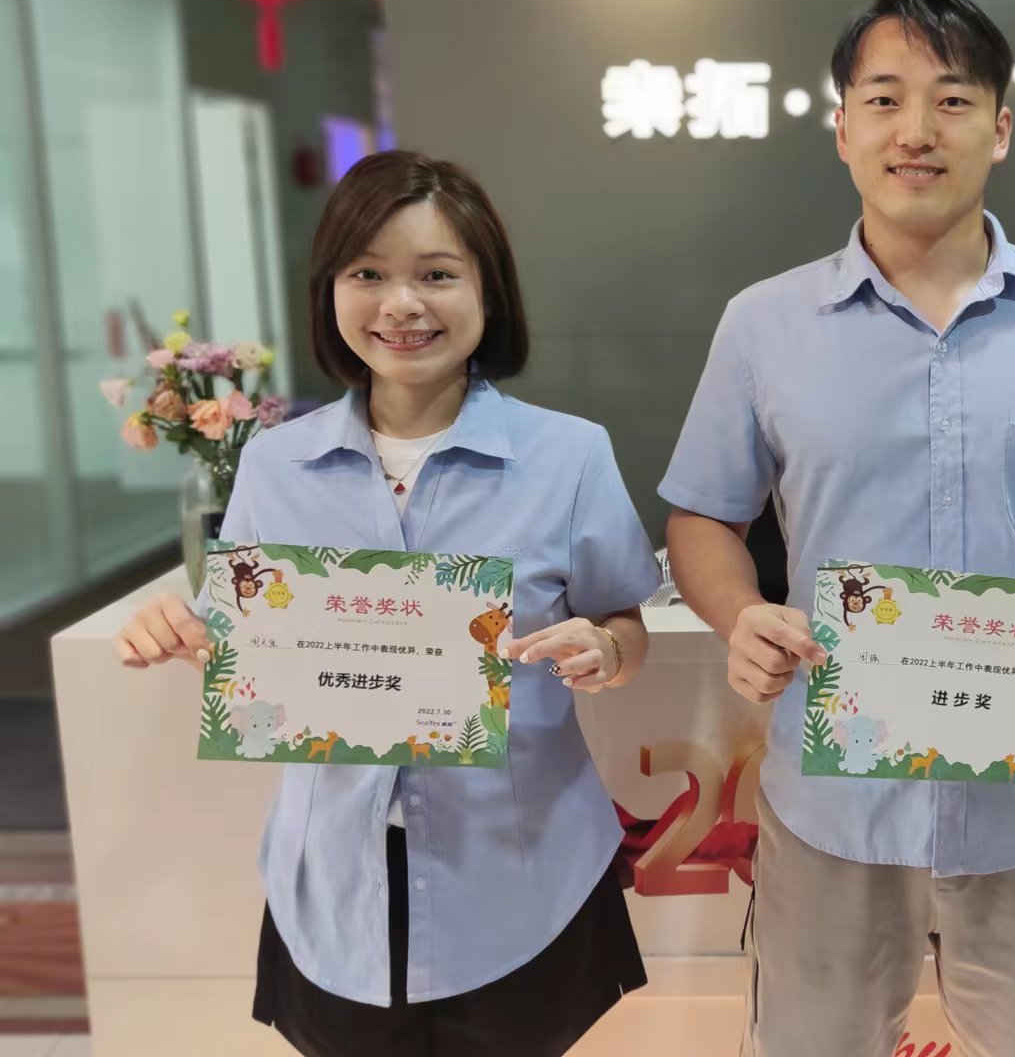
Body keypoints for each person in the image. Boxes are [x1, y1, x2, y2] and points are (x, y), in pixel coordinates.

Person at [660, 0, 1015, 1057]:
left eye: (951, 100)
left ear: (1000, 129)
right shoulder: (762, 324)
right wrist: (739, 614)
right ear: (841, 128)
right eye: (884, 98)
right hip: (833, 795)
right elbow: (703, 519)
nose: (916, 130)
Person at [113, 151, 661, 1056]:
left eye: (436, 275)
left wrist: (605, 651)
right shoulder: (275, 465)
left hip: (520, 877)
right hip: (333, 879)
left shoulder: (568, 457)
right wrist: (175, 627)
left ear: (488, 292)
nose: (400, 304)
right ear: (331, 290)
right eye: (367, 274)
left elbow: (625, 629)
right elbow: (236, 641)